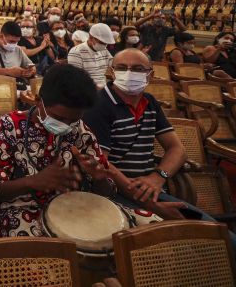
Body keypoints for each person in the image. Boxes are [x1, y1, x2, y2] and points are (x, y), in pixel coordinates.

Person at [83, 49, 236, 240]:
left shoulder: (150, 102)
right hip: (115, 191)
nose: (129, 73)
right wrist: (150, 204)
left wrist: (158, 176)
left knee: (218, 237)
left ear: (150, 75)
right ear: (112, 72)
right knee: (185, 236)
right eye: (122, 68)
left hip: (150, 188)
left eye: (138, 69)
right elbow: (100, 164)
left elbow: (177, 150)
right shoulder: (99, 105)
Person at [0, 64, 114, 237]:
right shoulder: (7, 128)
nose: (67, 125)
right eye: (59, 118)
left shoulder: (82, 132)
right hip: (18, 209)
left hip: (72, 207)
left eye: (73, 120)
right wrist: (33, 181)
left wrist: (100, 179)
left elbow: (104, 193)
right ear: (39, 101)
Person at [67, 23, 115, 89]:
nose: (104, 45)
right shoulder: (76, 52)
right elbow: (77, 79)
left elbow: (114, 65)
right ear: (90, 37)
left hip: (104, 88)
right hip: (87, 90)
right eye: (101, 42)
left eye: (106, 43)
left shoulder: (104, 50)